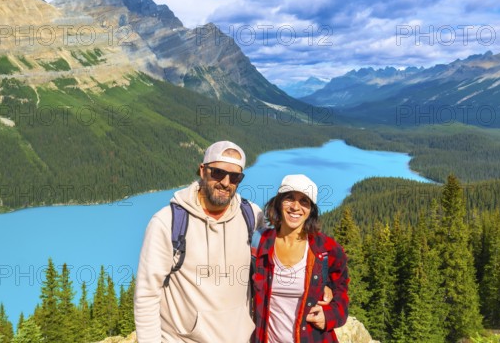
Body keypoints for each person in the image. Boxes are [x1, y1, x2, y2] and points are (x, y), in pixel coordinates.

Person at [134, 141, 264, 343]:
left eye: (235, 177)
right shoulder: (167, 222)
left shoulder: (251, 215)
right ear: (203, 171)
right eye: (218, 173)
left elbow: (285, 249)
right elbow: (147, 295)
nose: (226, 182)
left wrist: (328, 284)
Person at [252, 174, 349, 343]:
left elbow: (342, 296)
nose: (296, 207)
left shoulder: (326, 249)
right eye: (289, 198)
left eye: (304, 201)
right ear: (278, 202)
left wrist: (329, 316)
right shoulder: (260, 243)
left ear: (311, 209)